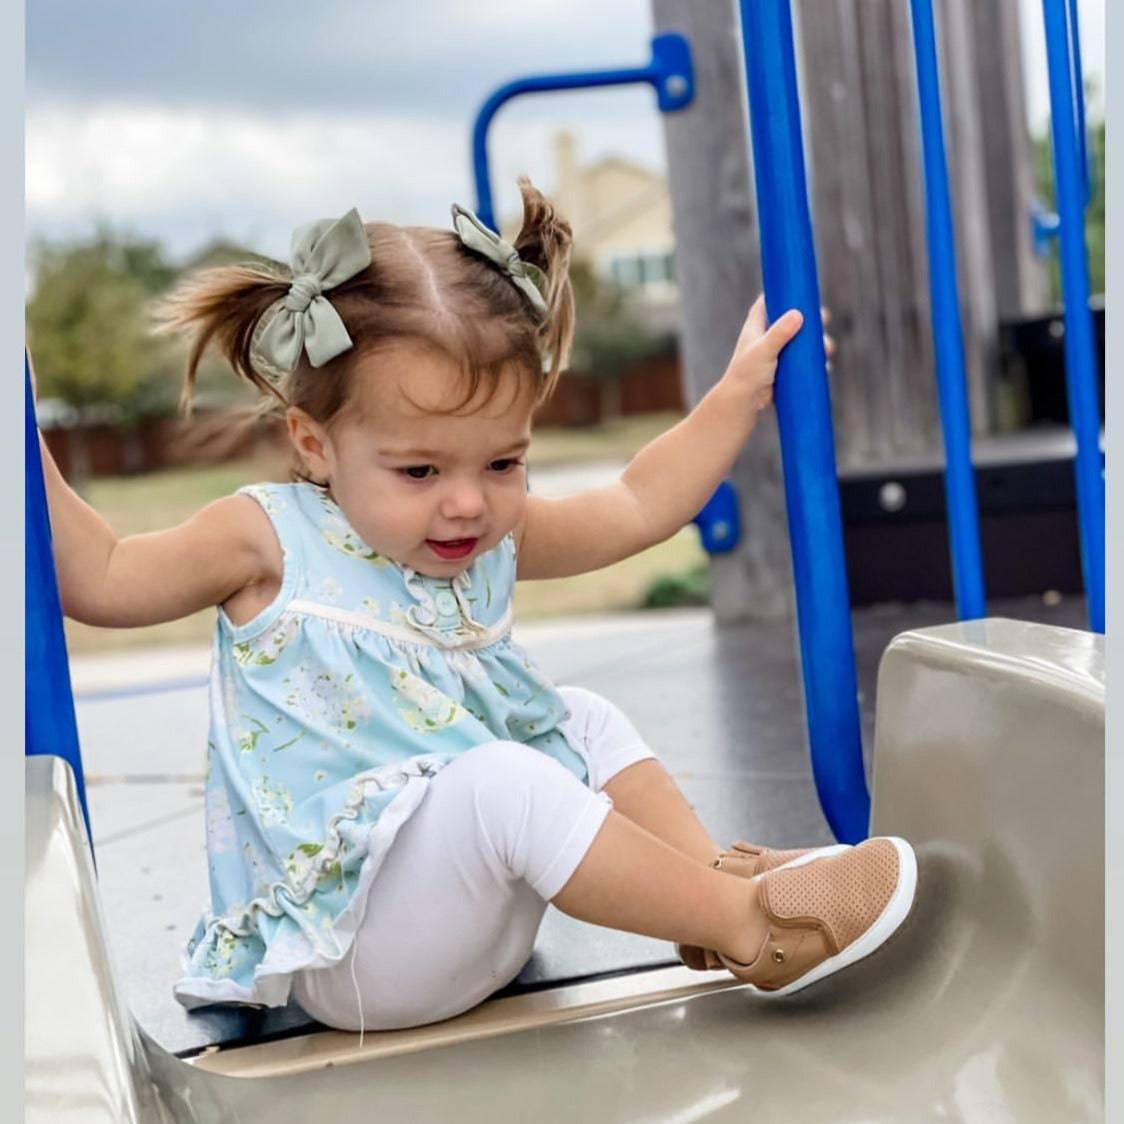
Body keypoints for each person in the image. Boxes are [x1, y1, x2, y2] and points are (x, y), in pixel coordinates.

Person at [35, 177, 917, 1037]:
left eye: (502, 462)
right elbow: (105, 577)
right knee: (505, 776)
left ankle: (709, 886)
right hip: (358, 955)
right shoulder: (266, 540)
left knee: (581, 720)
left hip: (475, 920)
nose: (467, 502)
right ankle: (755, 929)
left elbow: (637, 505)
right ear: (314, 445)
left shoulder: (489, 541)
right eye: (420, 471)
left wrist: (736, 397)